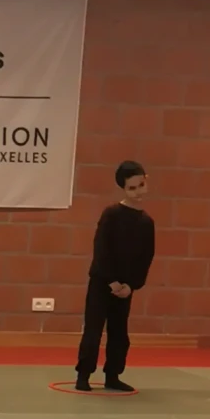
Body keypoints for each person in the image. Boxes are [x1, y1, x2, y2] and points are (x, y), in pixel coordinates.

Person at [76, 159, 155, 393]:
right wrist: (111, 281)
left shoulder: (146, 223)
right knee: (93, 330)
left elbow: (145, 257)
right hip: (103, 283)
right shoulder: (111, 214)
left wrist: (131, 285)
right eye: (132, 188)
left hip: (125, 288)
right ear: (123, 188)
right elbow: (101, 249)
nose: (138, 192)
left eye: (141, 185)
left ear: (146, 181)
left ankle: (113, 375)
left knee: (119, 333)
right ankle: (83, 375)